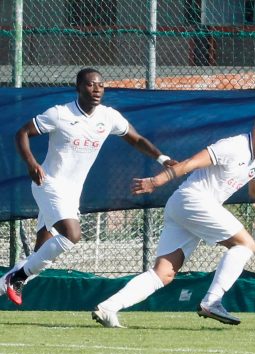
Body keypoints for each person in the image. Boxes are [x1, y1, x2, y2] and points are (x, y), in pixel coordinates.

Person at [92, 106, 255, 328]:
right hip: (193, 200)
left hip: (185, 207)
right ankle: (212, 301)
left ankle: (107, 308)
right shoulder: (233, 146)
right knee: (245, 244)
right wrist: (155, 181)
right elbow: (189, 163)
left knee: (164, 273)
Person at [0, 67, 176, 305]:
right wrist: (31, 163)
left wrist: (163, 159)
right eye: (90, 84)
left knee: (41, 253)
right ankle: (18, 277)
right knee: (72, 235)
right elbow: (22, 133)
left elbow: (137, 139)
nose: (96, 89)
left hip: (72, 193)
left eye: (100, 85)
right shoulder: (60, 114)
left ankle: (10, 281)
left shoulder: (109, 117)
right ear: (78, 87)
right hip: (48, 184)